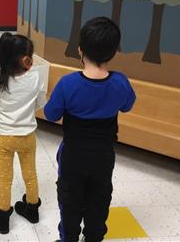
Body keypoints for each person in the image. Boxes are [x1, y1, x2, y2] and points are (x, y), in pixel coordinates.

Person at [44, 17, 136, 242]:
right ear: (113, 52)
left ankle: (69, 238)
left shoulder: (68, 84)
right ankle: (94, 237)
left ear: (80, 50)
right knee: (99, 199)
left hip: (72, 157)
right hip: (103, 158)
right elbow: (128, 105)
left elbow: (50, 114)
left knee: (69, 200)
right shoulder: (120, 82)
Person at [0, 33, 46, 235]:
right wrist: (26, 113)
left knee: (5, 177)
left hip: (4, 137)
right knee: (30, 174)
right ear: (25, 58)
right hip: (28, 136)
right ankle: (32, 210)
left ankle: (2, 216)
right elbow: (41, 102)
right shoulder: (35, 78)